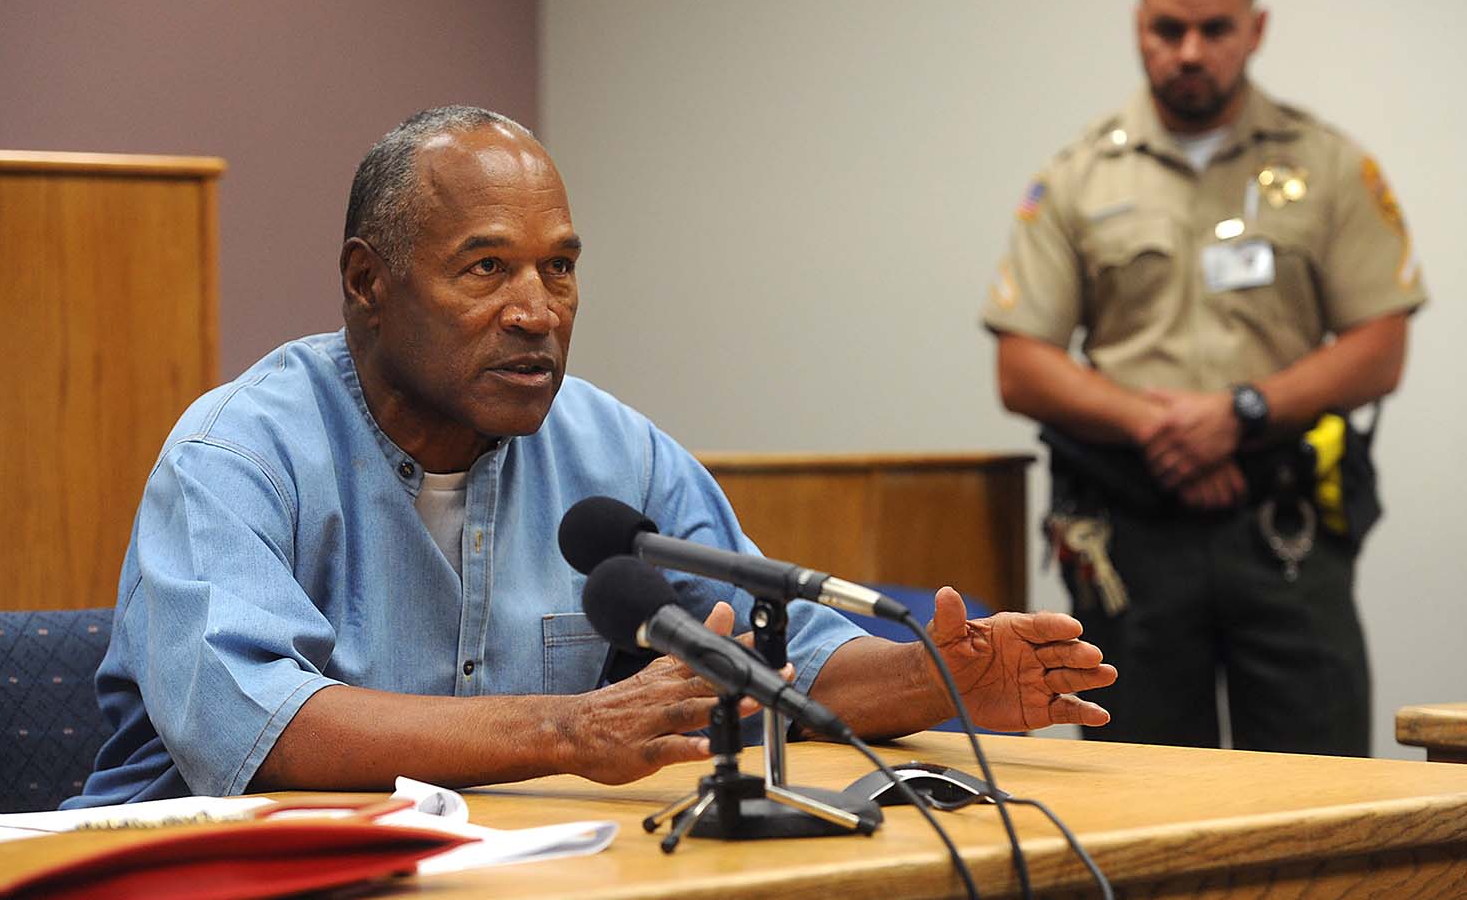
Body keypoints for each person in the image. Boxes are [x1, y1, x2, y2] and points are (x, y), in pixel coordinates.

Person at [68, 106, 1115, 806]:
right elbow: (263, 731)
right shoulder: (236, 455)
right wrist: (570, 730)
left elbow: (775, 652)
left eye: (559, 269)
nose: (537, 313)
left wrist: (936, 678)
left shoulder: (613, 450)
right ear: (366, 282)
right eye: (487, 268)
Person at [982, 0, 1426, 756]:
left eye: (1215, 30)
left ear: (1254, 29)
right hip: (1130, 540)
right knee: (1139, 812)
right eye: (1167, 30)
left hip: (1285, 530)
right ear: (1137, 26)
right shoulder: (1079, 176)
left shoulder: (1328, 166)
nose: (1190, 52)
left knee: (1319, 805)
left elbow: (1380, 342)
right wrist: (1158, 425)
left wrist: (1242, 412)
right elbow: (1021, 365)